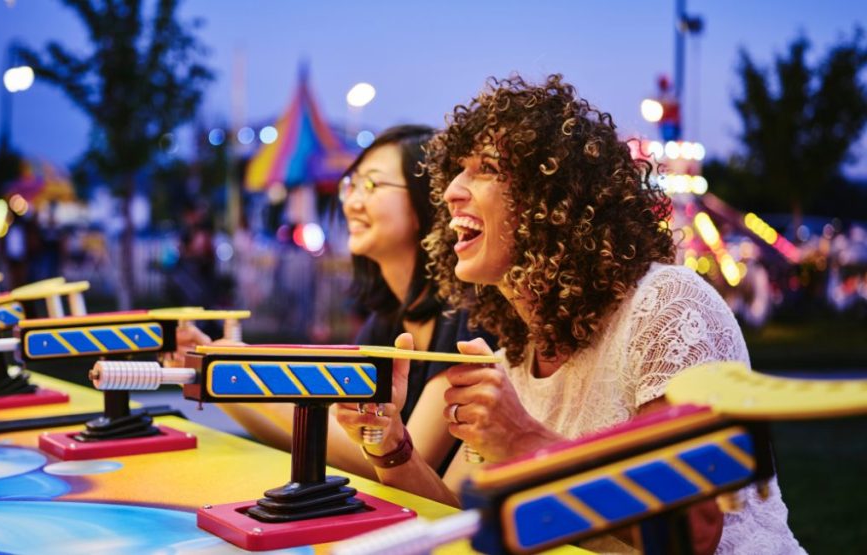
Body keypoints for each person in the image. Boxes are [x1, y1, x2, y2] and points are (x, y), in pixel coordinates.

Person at [335, 75, 803, 554]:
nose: (452, 190)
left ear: (552, 198)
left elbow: (694, 533)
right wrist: (388, 443)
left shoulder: (666, 305)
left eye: (485, 168)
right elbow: (462, 522)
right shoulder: (517, 354)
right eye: (457, 171)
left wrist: (522, 439)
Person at [178, 124, 492, 479]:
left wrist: (233, 374)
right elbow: (321, 442)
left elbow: (400, 462)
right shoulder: (386, 322)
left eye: (371, 185)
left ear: (428, 198)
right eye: (350, 185)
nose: (350, 201)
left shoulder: (466, 319)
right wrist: (206, 372)